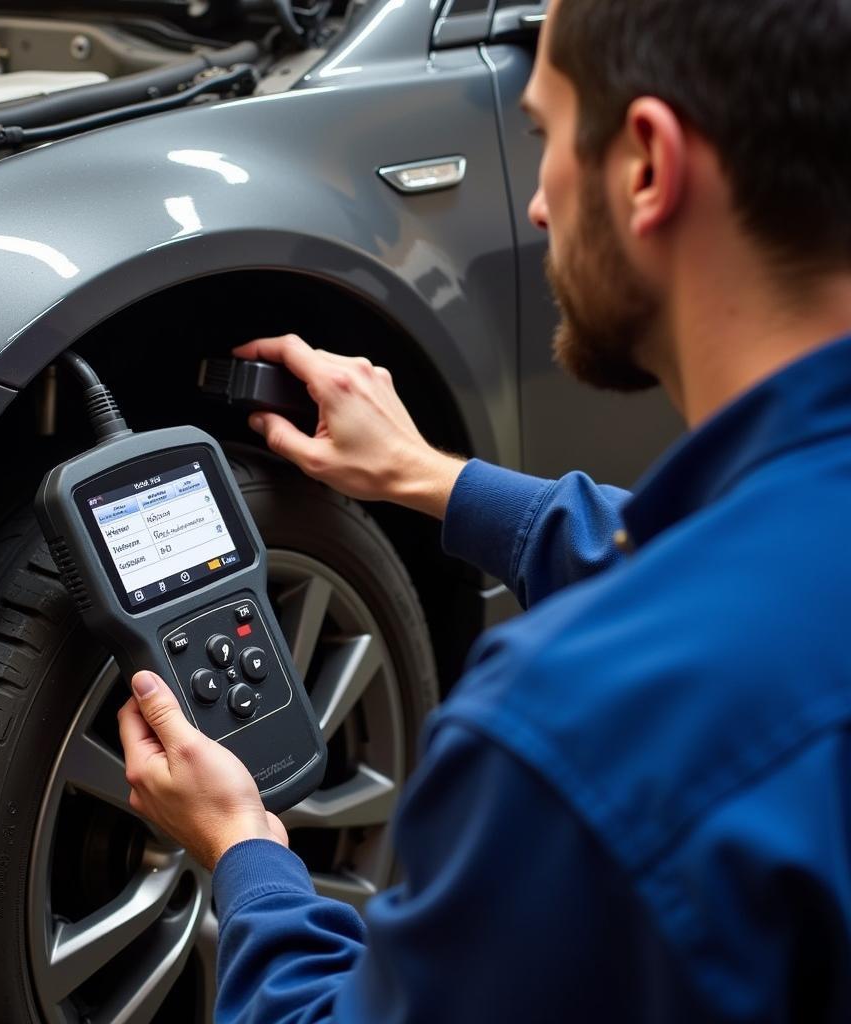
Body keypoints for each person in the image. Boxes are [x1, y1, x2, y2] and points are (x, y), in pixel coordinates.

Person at [117, 0, 851, 1018]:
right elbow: (739, 572)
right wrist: (428, 474)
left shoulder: (571, 734)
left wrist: (247, 856)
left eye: (544, 136)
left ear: (646, 166)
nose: (540, 206)